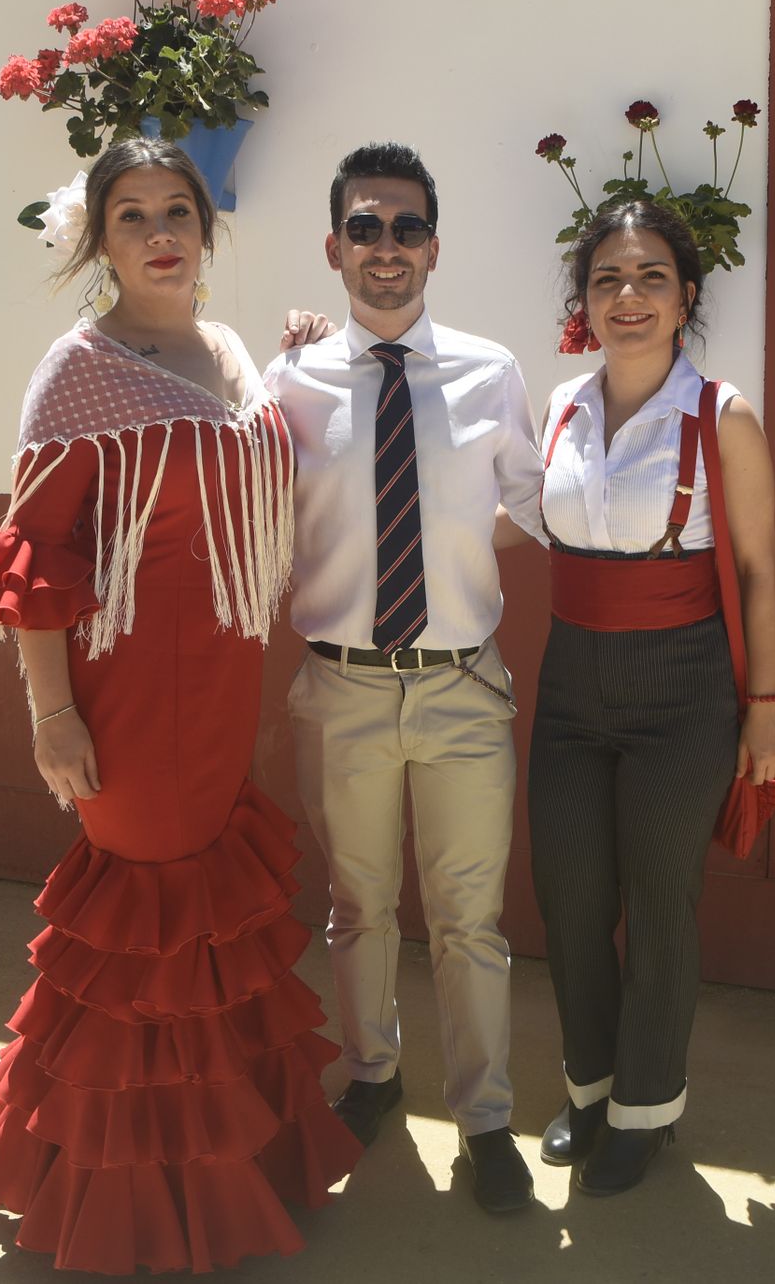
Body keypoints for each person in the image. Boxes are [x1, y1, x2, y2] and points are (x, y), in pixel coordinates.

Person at [0, 138, 360, 1275]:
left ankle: (227, 1167)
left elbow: (233, 451)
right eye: (132, 215)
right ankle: (140, 1200)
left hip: (221, 686)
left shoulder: (223, 350)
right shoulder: (78, 369)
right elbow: (32, 554)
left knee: (204, 917)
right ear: (97, 240)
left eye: (180, 208)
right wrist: (51, 713)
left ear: (208, 228)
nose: (161, 230)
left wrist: (289, 361)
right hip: (127, 698)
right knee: (154, 929)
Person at [265, 142, 546, 1214]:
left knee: (472, 916)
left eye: (408, 227)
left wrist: (460, 553)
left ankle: (484, 1116)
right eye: (367, 228)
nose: (389, 248)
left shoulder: (490, 369)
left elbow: (528, 497)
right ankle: (374, 1072)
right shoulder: (286, 379)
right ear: (334, 246)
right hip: (338, 686)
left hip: (461, 686)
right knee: (358, 900)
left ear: (435, 245)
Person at [529, 200, 775, 1195]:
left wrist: (763, 704)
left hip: (682, 686)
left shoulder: (722, 414)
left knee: (661, 903)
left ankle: (644, 1108)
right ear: (582, 301)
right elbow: (504, 515)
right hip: (569, 680)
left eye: (648, 278)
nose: (625, 296)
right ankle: (588, 1087)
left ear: (685, 296)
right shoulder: (558, 406)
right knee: (570, 897)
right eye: (605, 279)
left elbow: (761, 570)